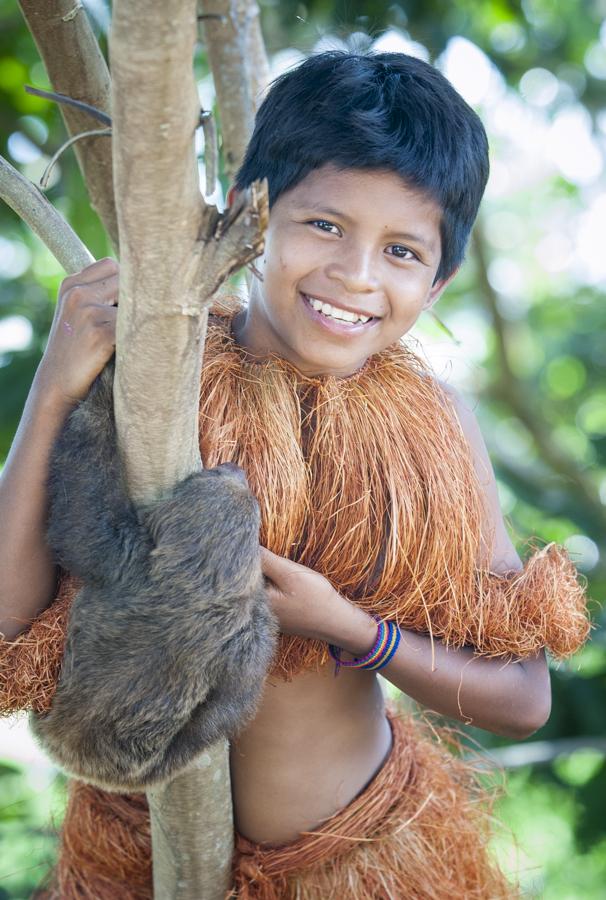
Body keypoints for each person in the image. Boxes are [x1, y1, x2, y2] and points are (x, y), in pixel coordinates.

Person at [0, 51, 588, 898]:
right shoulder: (161, 369)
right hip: (132, 863)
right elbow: (13, 634)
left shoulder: (431, 426)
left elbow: (523, 697)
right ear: (253, 219)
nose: (355, 274)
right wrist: (56, 385)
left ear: (441, 277)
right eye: (324, 226)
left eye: (401, 251)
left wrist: (350, 627)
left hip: (358, 862)